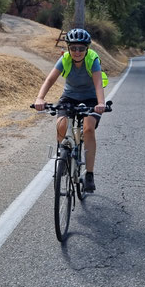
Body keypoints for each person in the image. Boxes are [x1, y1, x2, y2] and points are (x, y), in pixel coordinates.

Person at [34, 28, 107, 192]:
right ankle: (64, 158)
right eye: (73, 48)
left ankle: (89, 174)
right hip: (69, 96)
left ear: (86, 48)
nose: (77, 51)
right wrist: (40, 98)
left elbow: (97, 83)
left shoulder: (92, 59)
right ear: (68, 48)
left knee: (88, 129)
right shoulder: (65, 59)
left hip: (91, 98)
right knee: (61, 125)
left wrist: (100, 103)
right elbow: (50, 79)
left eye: (81, 48)